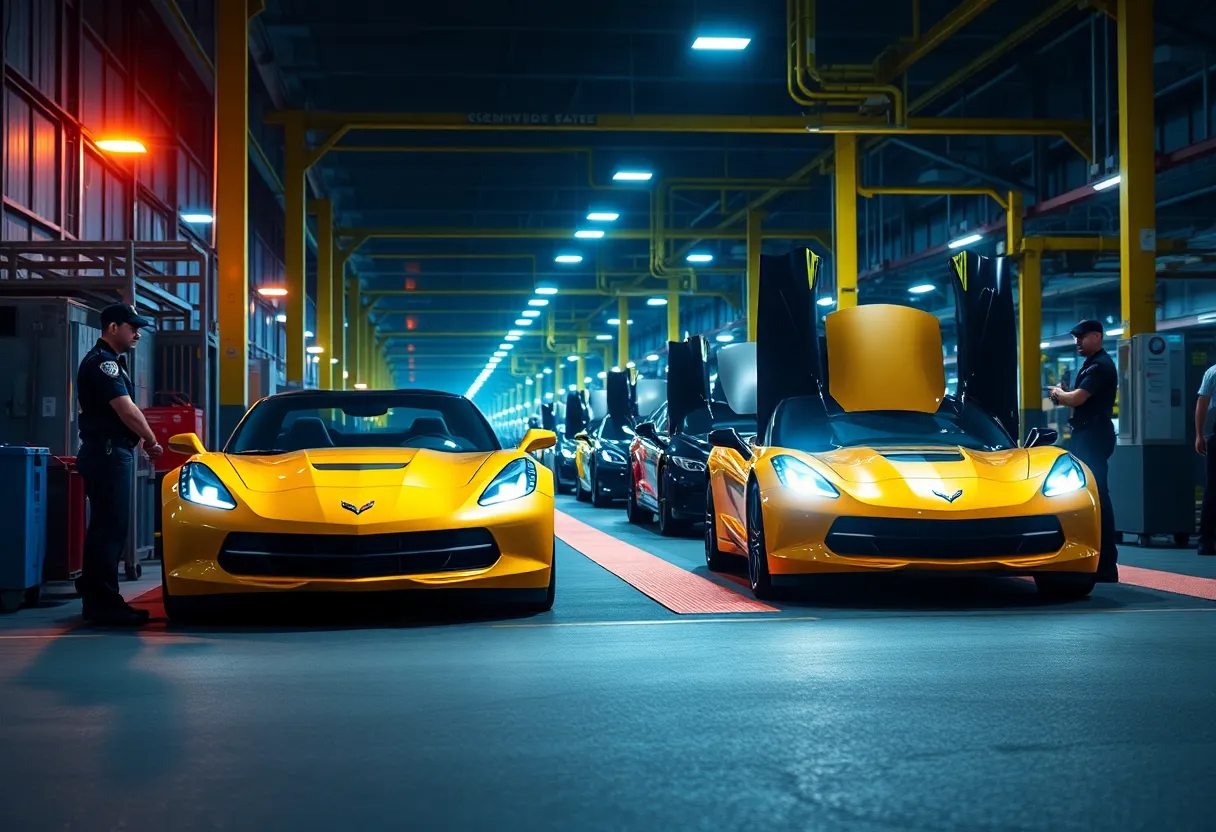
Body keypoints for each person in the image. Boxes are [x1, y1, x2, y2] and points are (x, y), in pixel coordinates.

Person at [75, 303, 163, 625]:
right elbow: (126, 411)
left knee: (106, 527)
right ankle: (103, 603)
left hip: (109, 452)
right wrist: (151, 440)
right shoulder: (104, 365)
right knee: (110, 528)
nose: (137, 333)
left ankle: (97, 596)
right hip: (109, 454)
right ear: (113, 327)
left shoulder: (111, 362)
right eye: (132, 327)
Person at [1047, 319, 1119, 582]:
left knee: (1097, 495)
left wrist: (1058, 394)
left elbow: (1077, 398)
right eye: (1076, 337)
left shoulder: (1099, 366)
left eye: (1082, 337)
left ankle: (1106, 565)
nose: (1077, 341)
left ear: (1097, 337)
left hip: (1093, 434)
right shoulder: (1092, 364)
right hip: (1087, 433)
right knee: (1093, 493)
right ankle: (1101, 562)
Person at [1195, 361, 1216, 556]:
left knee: (1213, 488)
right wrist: (1199, 434)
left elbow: (1202, 404)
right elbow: (1202, 404)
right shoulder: (1213, 372)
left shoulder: (1212, 371)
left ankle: (1206, 540)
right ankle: (1206, 539)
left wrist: (1200, 434)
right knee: (1212, 488)